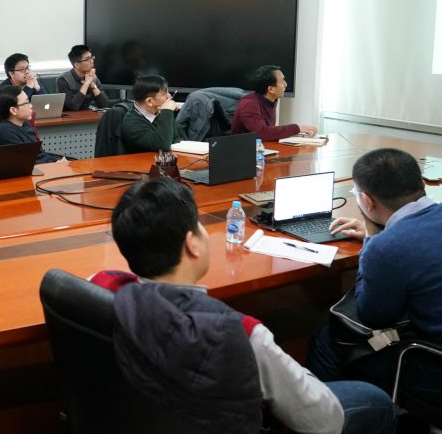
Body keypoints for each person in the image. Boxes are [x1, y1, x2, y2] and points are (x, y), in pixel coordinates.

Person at [93, 177, 396, 433]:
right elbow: (324, 421)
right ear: (192, 244)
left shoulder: (101, 287)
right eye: (199, 225)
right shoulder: (241, 332)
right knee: (375, 401)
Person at [309, 148, 442, 387]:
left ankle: (344, 408)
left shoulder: (386, 248)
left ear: (367, 201)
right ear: (421, 183)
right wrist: (387, 234)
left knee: (327, 340)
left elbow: (374, 316)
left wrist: (373, 237)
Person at [231, 65, 317, 141]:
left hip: (261, 148)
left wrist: (294, 133)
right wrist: (297, 128)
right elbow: (261, 133)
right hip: (244, 151)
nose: (286, 84)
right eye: (282, 81)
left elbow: (269, 131)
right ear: (271, 89)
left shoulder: (271, 100)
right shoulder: (249, 104)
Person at [0, 85, 64, 164]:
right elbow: (26, 161)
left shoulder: (25, 124)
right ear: (13, 110)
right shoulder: (6, 132)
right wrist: (54, 164)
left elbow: (40, 154)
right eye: (26, 103)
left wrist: (57, 161)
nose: (31, 106)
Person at [120, 75, 182, 153]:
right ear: (150, 101)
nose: (169, 96)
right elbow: (162, 146)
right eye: (164, 93)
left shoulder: (159, 112)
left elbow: (179, 138)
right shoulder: (132, 123)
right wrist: (167, 111)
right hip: (145, 160)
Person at [56, 45, 110, 111]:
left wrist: (92, 85)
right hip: (69, 116)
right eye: (87, 59)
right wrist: (86, 84)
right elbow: (72, 107)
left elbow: (105, 105)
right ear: (77, 65)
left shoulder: (92, 77)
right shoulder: (63, 80)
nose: (92, 61)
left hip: (86, 114)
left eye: (92, 58)